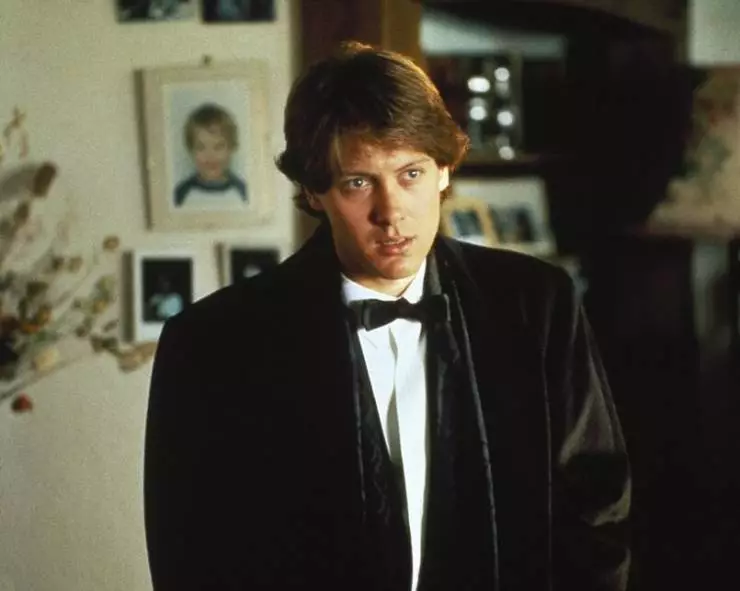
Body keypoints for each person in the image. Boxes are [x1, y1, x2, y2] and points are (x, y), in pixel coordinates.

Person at [144, 42, 631, 591]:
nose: (391, 212)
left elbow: (596, 511)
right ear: (313, 191)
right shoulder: (212, 344)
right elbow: (191, 555)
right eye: (358, 182)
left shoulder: (537, 305)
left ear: (444, 169)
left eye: (411, 174)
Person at [173, 103, 248, 209]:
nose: (210, 156)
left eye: (218, 147)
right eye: (201, 147)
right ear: (190, 150)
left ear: (232, 148)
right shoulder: (181, 194)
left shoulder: (243, 192)